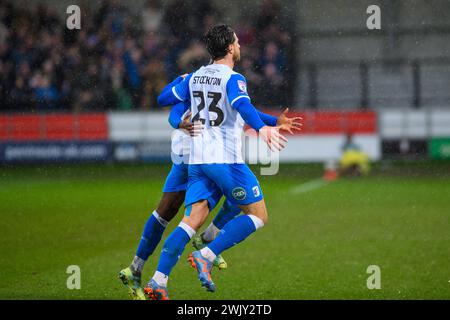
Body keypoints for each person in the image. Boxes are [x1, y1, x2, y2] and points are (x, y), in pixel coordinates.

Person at [145, 24, 300, 300]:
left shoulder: (195, 78)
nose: (240, 45)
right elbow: (242, 106)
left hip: (198, 161)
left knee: (191, 220)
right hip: (225, 160)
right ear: (229, 47)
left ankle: (158, 281)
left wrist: (273, 121)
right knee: (258, 215)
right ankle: (207, 253)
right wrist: (264, 129)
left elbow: (165, 98)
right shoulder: (233, 78)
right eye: (237, 42)